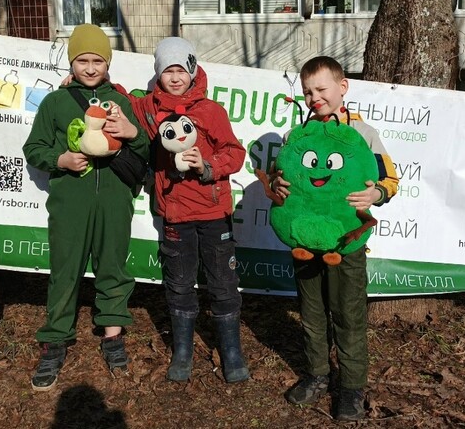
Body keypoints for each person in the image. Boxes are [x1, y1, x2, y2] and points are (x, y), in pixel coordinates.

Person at [271, 56, 399, 421]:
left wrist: (377, 194)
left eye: (321, 89)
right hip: (304, 244)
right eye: (307, 92)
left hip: (346, 245)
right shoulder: (296, 137)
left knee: (348, 314)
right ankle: (317, 375)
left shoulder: (364, 134)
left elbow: (391, 179)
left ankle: (352, 387)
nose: (314, 98)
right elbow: (282, 178)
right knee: (311, 312)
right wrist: (276, 185)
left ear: (342, 87)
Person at [23, 23, 150, 391]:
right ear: (72, 63)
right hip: (70, 201)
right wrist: (60, 160)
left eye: (97, 61)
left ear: (108, 63)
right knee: (65, 269)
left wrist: (132, 133)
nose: (90, 68)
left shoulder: (121, 102)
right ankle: (55, 340)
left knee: (113, 266)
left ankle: (113, 336)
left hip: (115, 199)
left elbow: (144, 149)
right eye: (83, 61)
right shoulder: (56, 102)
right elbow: (34, 148)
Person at [135, 37, 249, 383]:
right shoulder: (149, 109)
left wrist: (208, 166)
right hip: (176, 215)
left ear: (192, 71)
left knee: (223, 283)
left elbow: (235, 153)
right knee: (179, 284)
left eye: (181, 70)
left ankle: (231, 350)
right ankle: (182, 350)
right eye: (167, 71)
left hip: (214, 214)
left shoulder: (211, 111)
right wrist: (85, 84)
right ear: (158, 74)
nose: (175, 78)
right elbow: (121, 102)